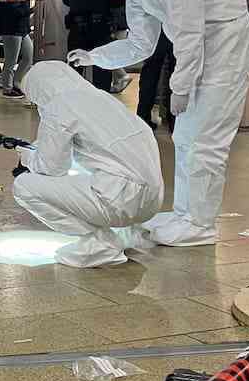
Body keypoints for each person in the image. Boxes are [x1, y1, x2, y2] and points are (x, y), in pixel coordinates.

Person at [69, 0, 249, 247]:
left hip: (227, 43)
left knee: (205, 138)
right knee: (185, 138)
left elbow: (190, 32)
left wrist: (180, 86)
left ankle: (200, 223)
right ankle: (186, 214)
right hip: (203, 48)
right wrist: (95, 56)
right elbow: (141, 43)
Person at [13, 62, 164, 268]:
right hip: (152, 202)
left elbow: (51, 168)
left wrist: (27, 157)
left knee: (24, 186)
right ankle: (124, 233)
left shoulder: (60, 105)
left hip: (120, 200)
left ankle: (99, 244)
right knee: (88, 170)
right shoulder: (103, 99)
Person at [136, 32, 175, 130]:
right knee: (175, 72)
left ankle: (143, 119)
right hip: (176, 27)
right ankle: (174, 120)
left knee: (149, 73)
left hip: (154, 29)